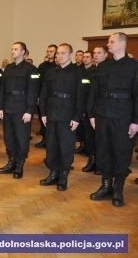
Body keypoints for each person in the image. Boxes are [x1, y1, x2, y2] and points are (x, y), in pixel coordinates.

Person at [87, 32, 138, 207]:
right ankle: (106, 185)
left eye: (111, 41)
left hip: (123, 116)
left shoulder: (134, 66)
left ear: (122, 44)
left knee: (121, 152)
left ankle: (118, 189)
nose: (108, 44)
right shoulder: (102, 66)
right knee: (103, 150)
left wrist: (136, 121)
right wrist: (92, 114)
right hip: (102, 114)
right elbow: (93, 92)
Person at [39, 43, 86, 191]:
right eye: (58, 53)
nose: (59, 56)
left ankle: (63, 175)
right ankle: (53, 173)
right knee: (52, 145)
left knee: (65, 146)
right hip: (52, 113)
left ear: (70, 55)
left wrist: (77, 117)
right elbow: (44, 94)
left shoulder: (78, 73)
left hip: (68, 115)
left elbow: (81, 97)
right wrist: (44, 113)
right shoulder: (51, 72)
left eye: (63, 53)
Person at [0, 42, 40, 179]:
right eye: (12, 49)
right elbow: (2, 90)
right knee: (9, 137)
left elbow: (33, 92)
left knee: (21, 138)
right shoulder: (8, 68)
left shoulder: (31, 69)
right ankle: (11, 162)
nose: (13, 51)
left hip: (22, 109)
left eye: (16, 49)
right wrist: (1, 107)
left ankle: (20, 164)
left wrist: (29, 110)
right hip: (8, 107)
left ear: (23, 52)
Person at [35, 44, 58, 148]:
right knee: (42, 118)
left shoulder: (58, 66)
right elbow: (38, 82)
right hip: (43, 96)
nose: (49, 53)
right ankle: (44, 139)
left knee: (52, 120)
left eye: (51, 51)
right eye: (48, 51)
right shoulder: (42, 66)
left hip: (53, 97)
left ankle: (51, 141)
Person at [79, 51, 97, 172]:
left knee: (93, 137)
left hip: (91, 109)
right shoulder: (78, 71)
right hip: (81, 107)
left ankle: (95, 160)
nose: (85, 59)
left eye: (87, 57)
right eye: (83, 57)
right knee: (85, 135)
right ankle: (90, 156)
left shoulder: (95, 72)